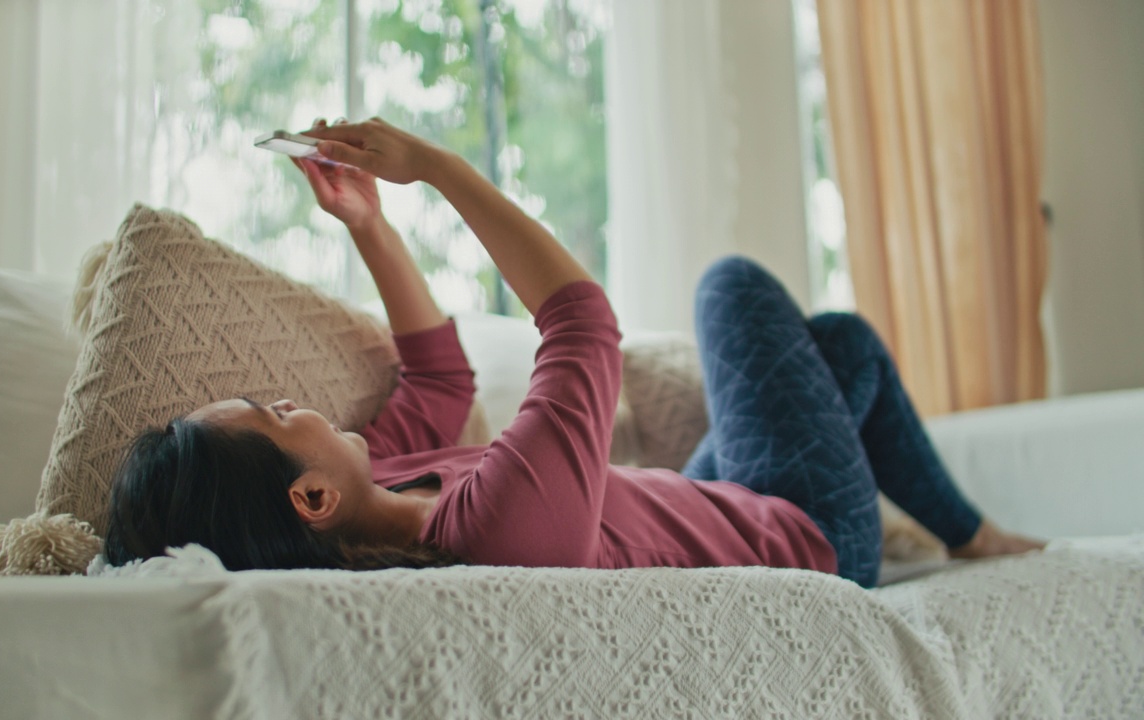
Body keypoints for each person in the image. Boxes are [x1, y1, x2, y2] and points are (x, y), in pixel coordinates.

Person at [103, 117, 1042, 588]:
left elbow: (439, 374)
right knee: (731, 290)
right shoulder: (494, 534)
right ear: (309, 498)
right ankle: (961, 535)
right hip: (809, 535)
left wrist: (368, 224)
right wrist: (433, 166)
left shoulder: (387, 480)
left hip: (719, 496)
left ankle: (965, 531)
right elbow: (585, 324)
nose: (290, 401)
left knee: (836, 347)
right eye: (276, 417)